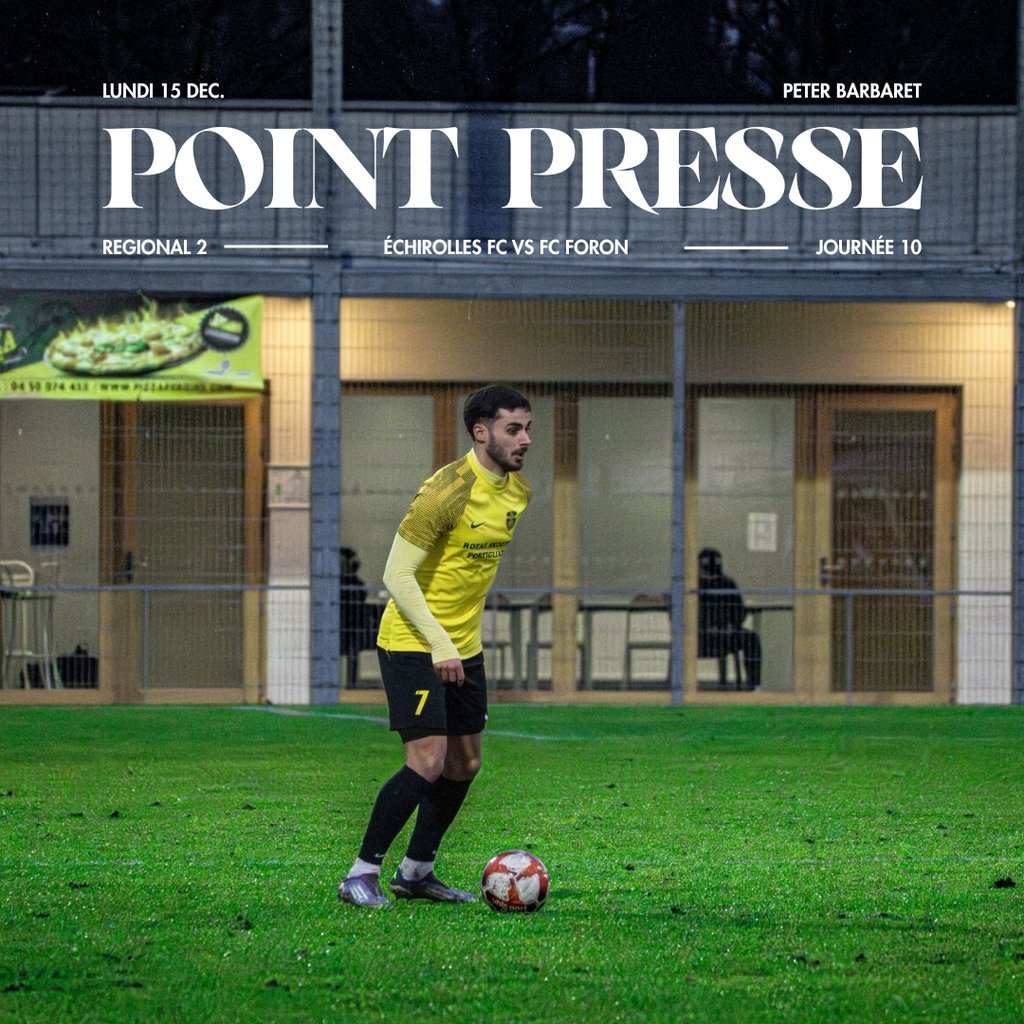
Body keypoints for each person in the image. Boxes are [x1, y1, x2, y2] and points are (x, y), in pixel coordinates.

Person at [338, 384, 533, 908]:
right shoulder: (445, 492)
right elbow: (396, 575)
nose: (525, 439)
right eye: (513, 429)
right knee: (427, 759)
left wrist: (457, 642)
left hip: (462, 647)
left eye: (528, 428)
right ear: (481, 432)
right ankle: (360, 874)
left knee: (464, 763)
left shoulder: (518, 493)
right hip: (413, 641)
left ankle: (416, 872)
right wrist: (440, 641)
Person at [697, 547, 762, 690]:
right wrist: (706, 627)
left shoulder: (728, 584)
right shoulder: (691, 585)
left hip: (727, 636)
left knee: (751, 639)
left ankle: (754, 685)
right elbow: (684, 615)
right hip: (699, 637)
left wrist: (732, 626)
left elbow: (739, 610)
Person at [339, 546, 382, 687]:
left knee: (353, 648)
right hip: (347, 628)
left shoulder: (355, 584)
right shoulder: (347, 584)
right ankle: (349, 684)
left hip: (352, 628)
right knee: (352, 647)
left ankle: (351, 684)